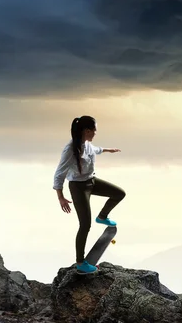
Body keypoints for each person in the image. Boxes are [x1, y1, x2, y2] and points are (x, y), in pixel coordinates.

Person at [53, 115, 126, 274]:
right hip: (78, 188)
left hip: (91, 182)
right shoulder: (71, 149)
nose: (95, 133)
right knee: (85, 225)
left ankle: (102, 216)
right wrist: (60, 197)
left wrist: (108, 150)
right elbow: (59, 174)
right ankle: (80, 262)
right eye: (94, 131)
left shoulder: (87, 144)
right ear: (87, 131)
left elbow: (95, 149)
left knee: (119, 193)